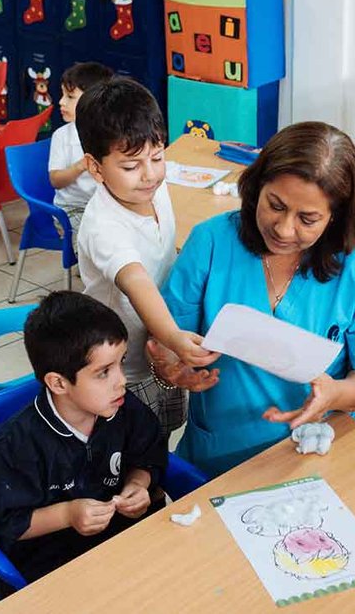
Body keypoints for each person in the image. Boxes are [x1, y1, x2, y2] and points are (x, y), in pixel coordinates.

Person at [152, 122, 355, 476]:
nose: (283, 230)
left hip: (320, 447)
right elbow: (168, 340)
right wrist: (170, 368)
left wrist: (335, 394)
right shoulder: (212, 241)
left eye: (307, 219)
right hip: (222, 449)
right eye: (275, 205)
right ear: (256, 187)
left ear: (335, 218)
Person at [0, 292, 166, 585]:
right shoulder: (14, 445)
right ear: (59, 383)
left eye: (120, 363)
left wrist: (138, 485)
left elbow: (148, 455)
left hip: (124, 543)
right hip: (53, 563)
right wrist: (67, 514)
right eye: (103, 373)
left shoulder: (122, 408)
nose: (122, 380)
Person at [74, 77, 215, 441]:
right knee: (131, 452)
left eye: (157, 156)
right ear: (95, 167)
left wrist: (169, 339)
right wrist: (174, 336)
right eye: (131, 165)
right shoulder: (103, 226)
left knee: (163, 434)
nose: (150, 174)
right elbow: (136, 280)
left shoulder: (153, 186)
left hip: (158, 346)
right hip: (121, 366)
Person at [48, 61, 114, 225]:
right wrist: (81, 165)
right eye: (63, 95)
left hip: (107, 206)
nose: (61, 102)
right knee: (92, 243)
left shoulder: (112, 132)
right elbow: (55, 180)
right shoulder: (62, 136)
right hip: (73, 208)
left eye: (70, 97)